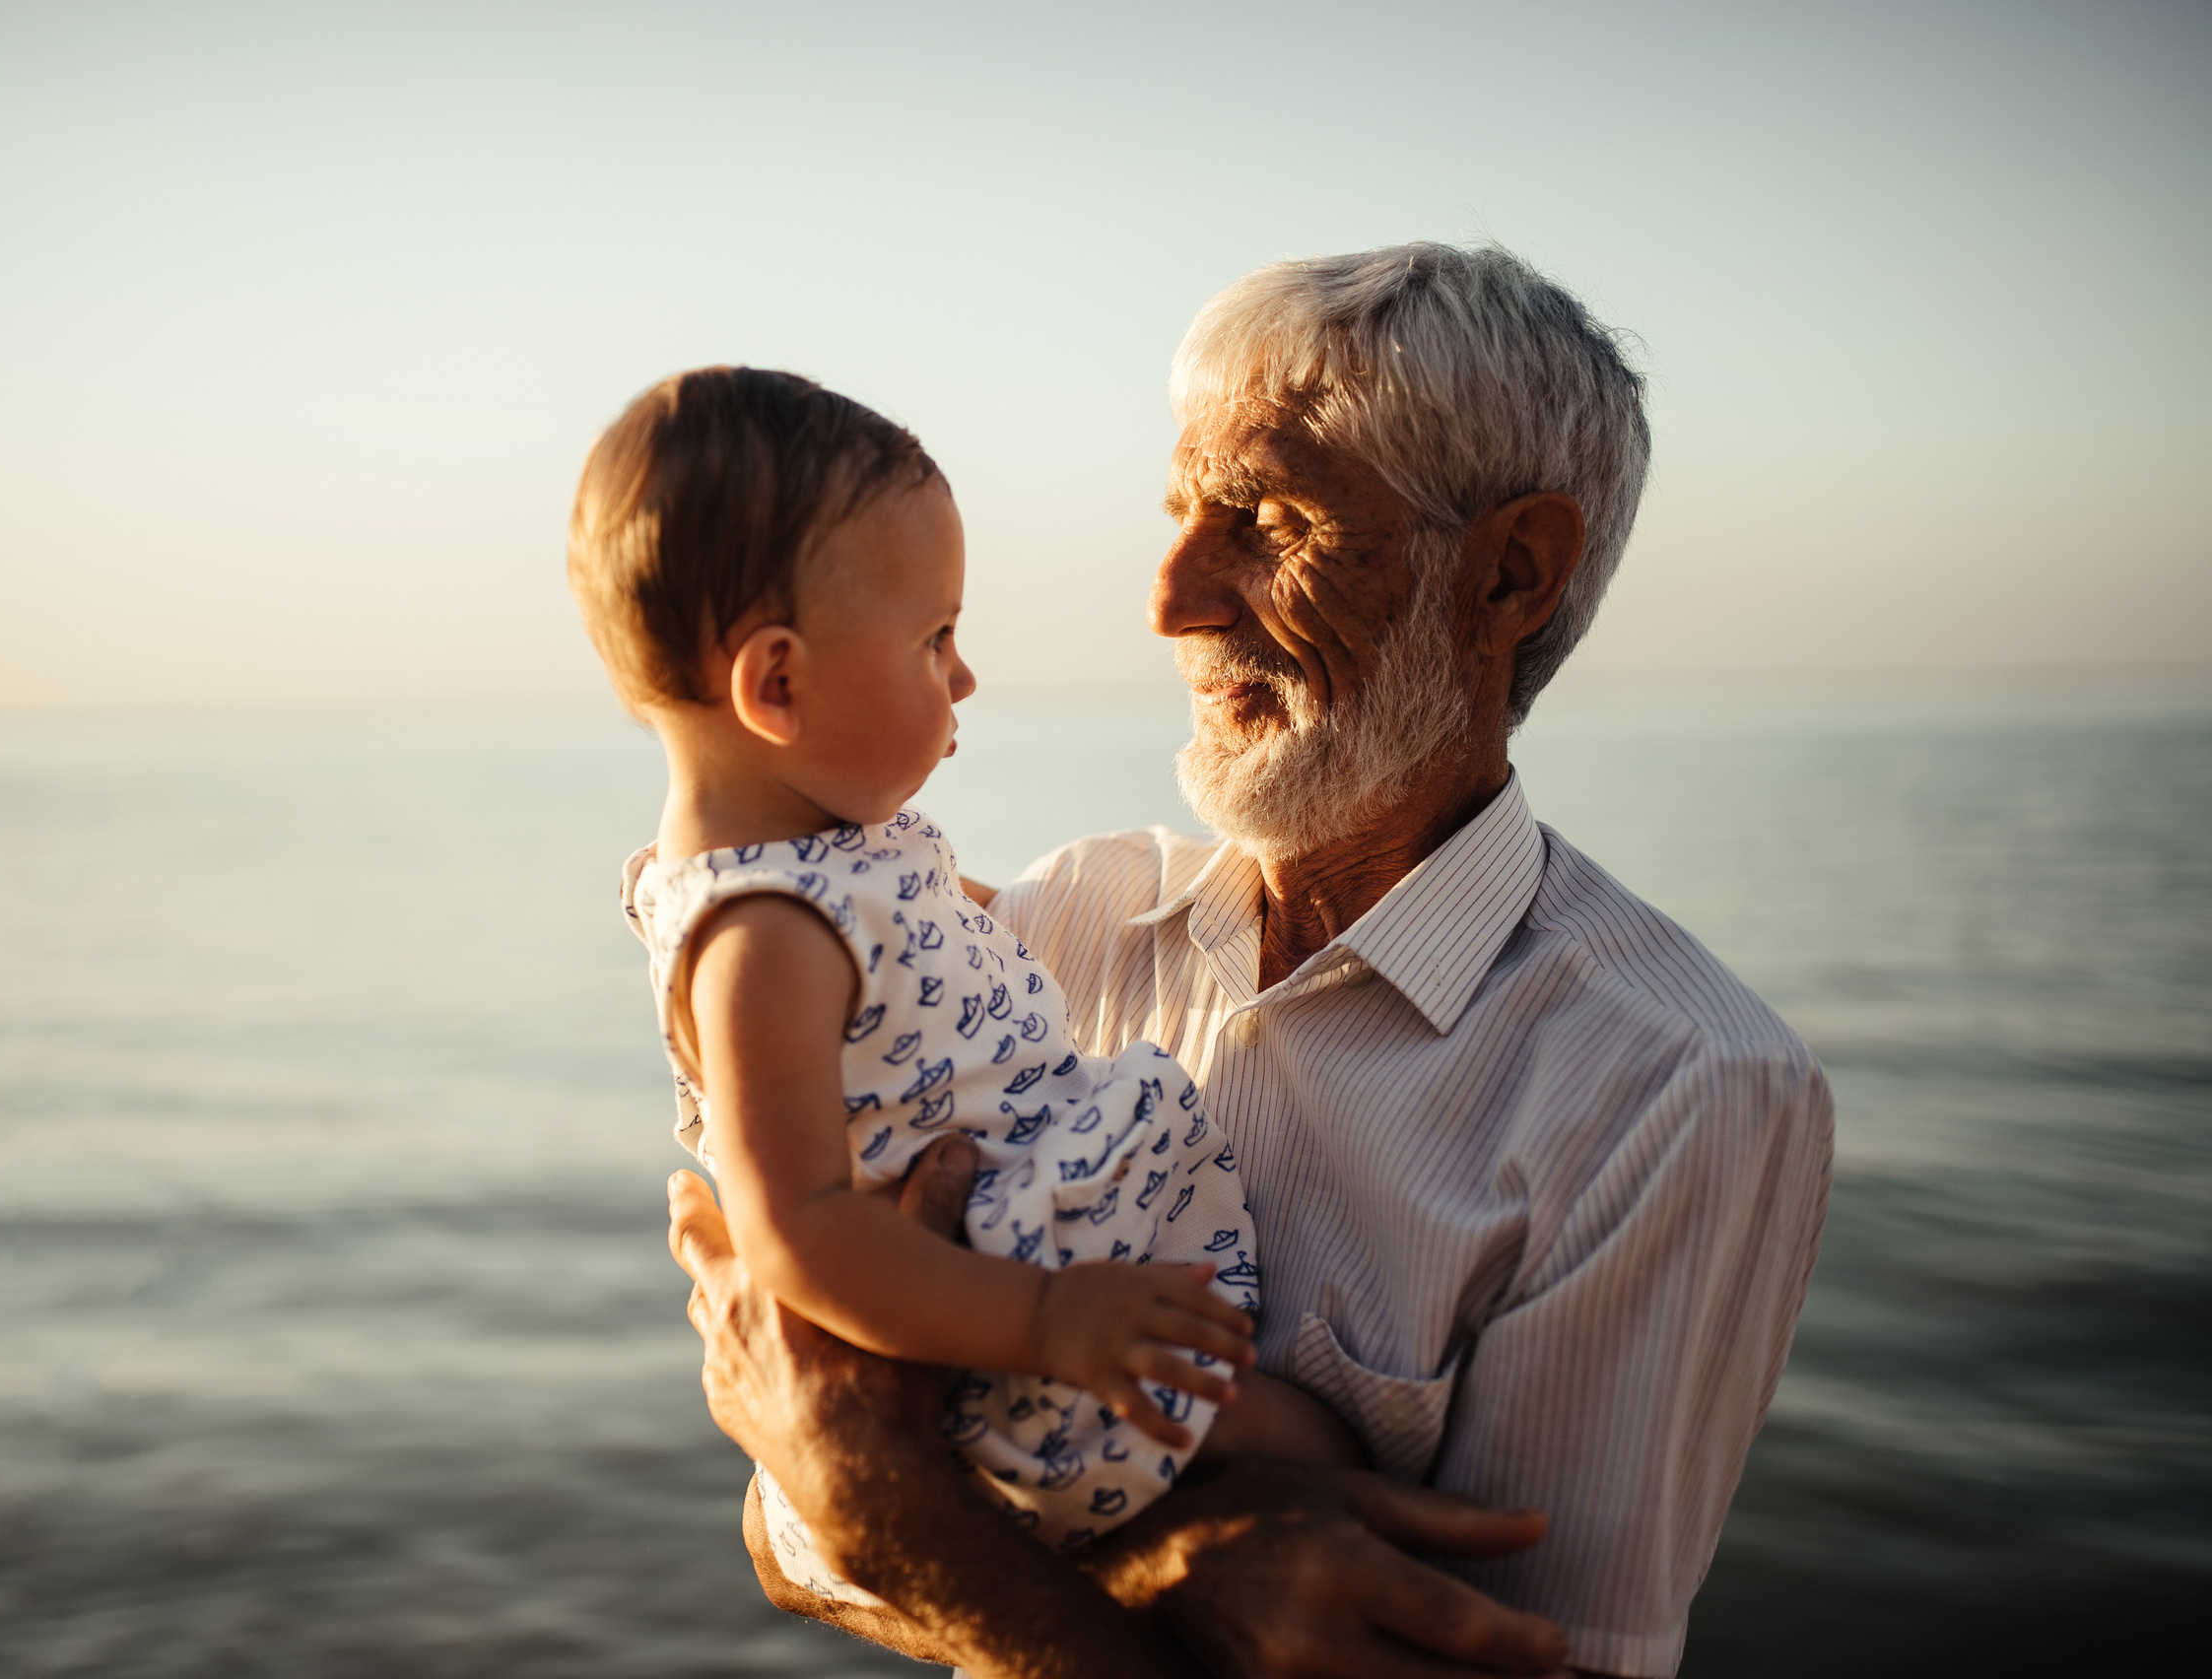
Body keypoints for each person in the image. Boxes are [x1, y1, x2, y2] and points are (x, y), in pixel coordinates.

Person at [667, 243, 1837, 1678]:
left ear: (1512, 573)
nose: (1171, 599)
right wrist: (1161, 1571)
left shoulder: (1683, 1094)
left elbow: (842, 1484)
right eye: (1177, 515)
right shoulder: (1056, 929)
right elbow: (786, 1520)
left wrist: (893, 1501)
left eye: (1268, 521)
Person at [573, 369, 1374, 1606]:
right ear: (775, 687)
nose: (963, 679)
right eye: (933, 639)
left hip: (1048, 1271)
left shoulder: (828, 858)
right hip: (1006, 1330)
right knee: (1319, 1461)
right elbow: (799, 1235)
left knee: (1304, 1484)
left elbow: (932, 966)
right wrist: (1044, 1325)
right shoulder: (759, 939)